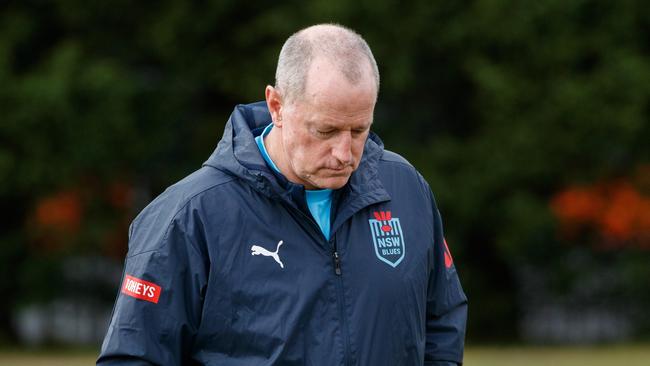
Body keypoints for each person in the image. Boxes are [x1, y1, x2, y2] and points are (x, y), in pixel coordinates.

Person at [97, 23, 467, 365]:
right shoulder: (190, 216)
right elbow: (133, 356)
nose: (344, 154)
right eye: (326, 131)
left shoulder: (404, 188)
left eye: (359, 131)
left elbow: (443, 318)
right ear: (277, 106)